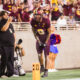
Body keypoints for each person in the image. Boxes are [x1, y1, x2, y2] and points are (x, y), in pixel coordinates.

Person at [31, 10, 51, 77]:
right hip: (39, 38)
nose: (36, 16)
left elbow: (49, 33)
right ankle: (42, 67)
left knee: (46, 56)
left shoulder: (46, 21)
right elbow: (34, 32)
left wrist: (45, 42)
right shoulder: (33, 21)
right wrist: (38, 41)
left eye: (38, 15)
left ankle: (46, 71)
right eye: (35, 15)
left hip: (46, 39)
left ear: (41, 15)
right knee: (39, 55)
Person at [0, 11, 15, 77]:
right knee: (4, 59)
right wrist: (8, 21)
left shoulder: (10, 24)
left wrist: (14, 42)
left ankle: (10, 73)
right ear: (1, 16)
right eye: (5, 15)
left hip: (11, 45)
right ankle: (1, 73)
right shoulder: (1, 23)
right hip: (4, 45)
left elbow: (13, 33)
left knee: (11, 59)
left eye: (7, 15)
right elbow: (4, 29)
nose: (7, 16)